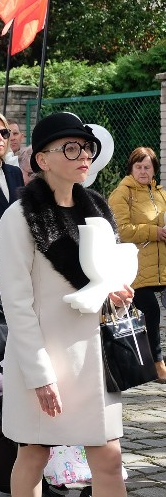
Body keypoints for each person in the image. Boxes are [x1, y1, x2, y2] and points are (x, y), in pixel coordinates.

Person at [0, 112, 133, 496]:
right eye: (70, 148)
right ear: (42, 159)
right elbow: (17, 305)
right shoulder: (19, 218)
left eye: (86, 147)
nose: (82, 155)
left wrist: (119, 294)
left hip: (96, 357)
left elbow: (107, 276)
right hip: (44, 358)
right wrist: (40, 375)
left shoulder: (98, 210)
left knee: (108, 456)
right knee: (35, 454)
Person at [108, 146, 166, 382]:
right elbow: (121, 230)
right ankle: (156, 362)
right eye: (138, 167)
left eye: (147, 167)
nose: (143, 171)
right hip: (136, 266)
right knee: (150, 311)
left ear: (154, 169)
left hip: (162, 265)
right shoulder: (121, 194)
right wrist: (155, 232)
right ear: (131, 168)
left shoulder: (161, 193)